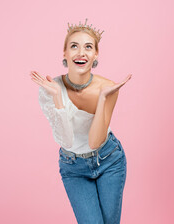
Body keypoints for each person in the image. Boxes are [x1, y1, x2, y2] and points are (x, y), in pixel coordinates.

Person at [29, 18, 132, 224]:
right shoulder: (49, 89)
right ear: (65, 53)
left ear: (95, 55)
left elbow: (95, 141)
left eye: (88, 47)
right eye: (74, 46)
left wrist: (102, 98)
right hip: (73, 166)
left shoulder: (108, 87)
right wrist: (58, 97)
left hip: (109, 159)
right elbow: (66, 140)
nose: (81, 52)